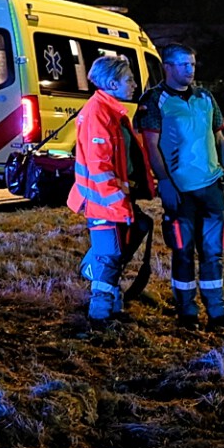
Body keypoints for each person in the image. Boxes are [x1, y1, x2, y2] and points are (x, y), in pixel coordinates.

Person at [138, 44, 224, 330]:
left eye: (192, 64)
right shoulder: (155, 100)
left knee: (213, 253)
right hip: (180, 192)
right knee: (182, 252)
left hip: (211, 189)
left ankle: (217, 313)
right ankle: (187, 312)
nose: (190, 70)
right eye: (183, 65)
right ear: (167, 67)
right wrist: (165, 182)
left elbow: (219, 139)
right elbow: (151, 146)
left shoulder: (205, 97)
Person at [65, 55, 154, 326]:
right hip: (103, 202)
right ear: (113, 83)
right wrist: (119, 205)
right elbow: (100, 166)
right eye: (129, 79)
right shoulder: (99, 113)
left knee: (115, 251)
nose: (135, 84)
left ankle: (110, 308)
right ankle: (100, 315)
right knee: (109, 255)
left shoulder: (107, 110)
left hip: (109, 199)